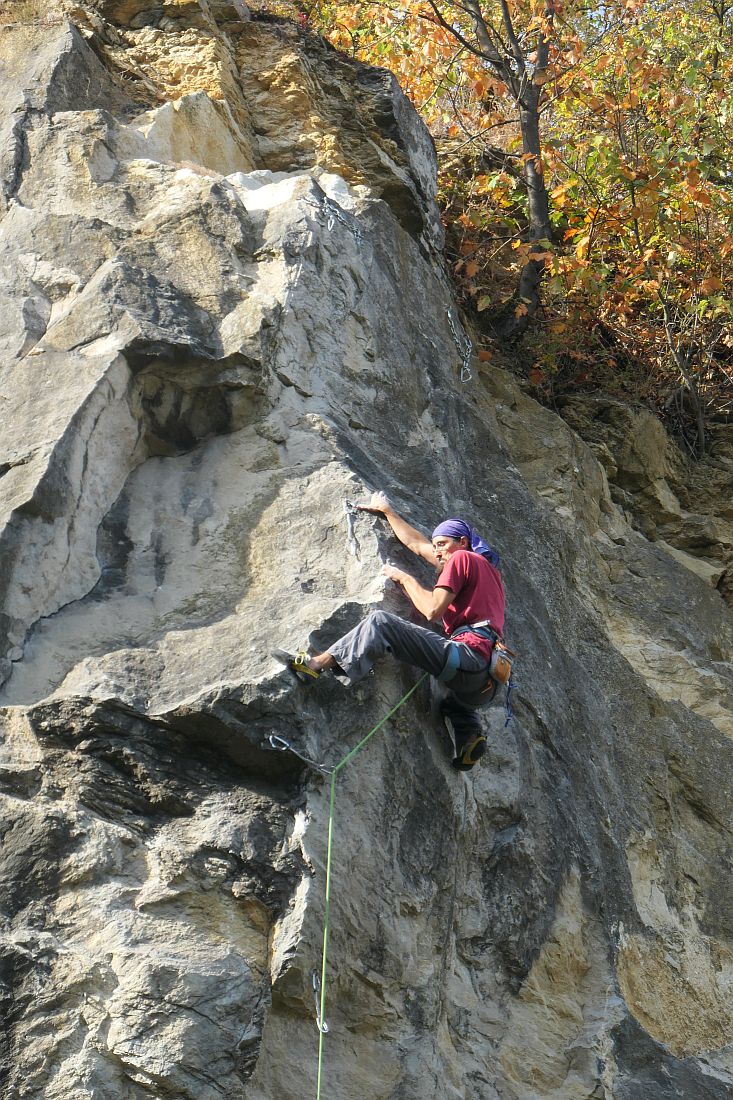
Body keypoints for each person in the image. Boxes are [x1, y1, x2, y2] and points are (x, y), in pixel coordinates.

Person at [277, 492, 506, 770]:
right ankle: (468, 733)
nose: (437, 552)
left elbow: (432, 610)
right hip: (484, 684)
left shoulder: (461, 560)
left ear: (463, 542)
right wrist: (387, 512)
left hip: (468, 657)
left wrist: (404, 578)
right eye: (436, 546)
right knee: (452, 701)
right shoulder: (489, 573)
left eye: (443, 544)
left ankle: (315, 664)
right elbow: (418, 546)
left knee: (381, 623)